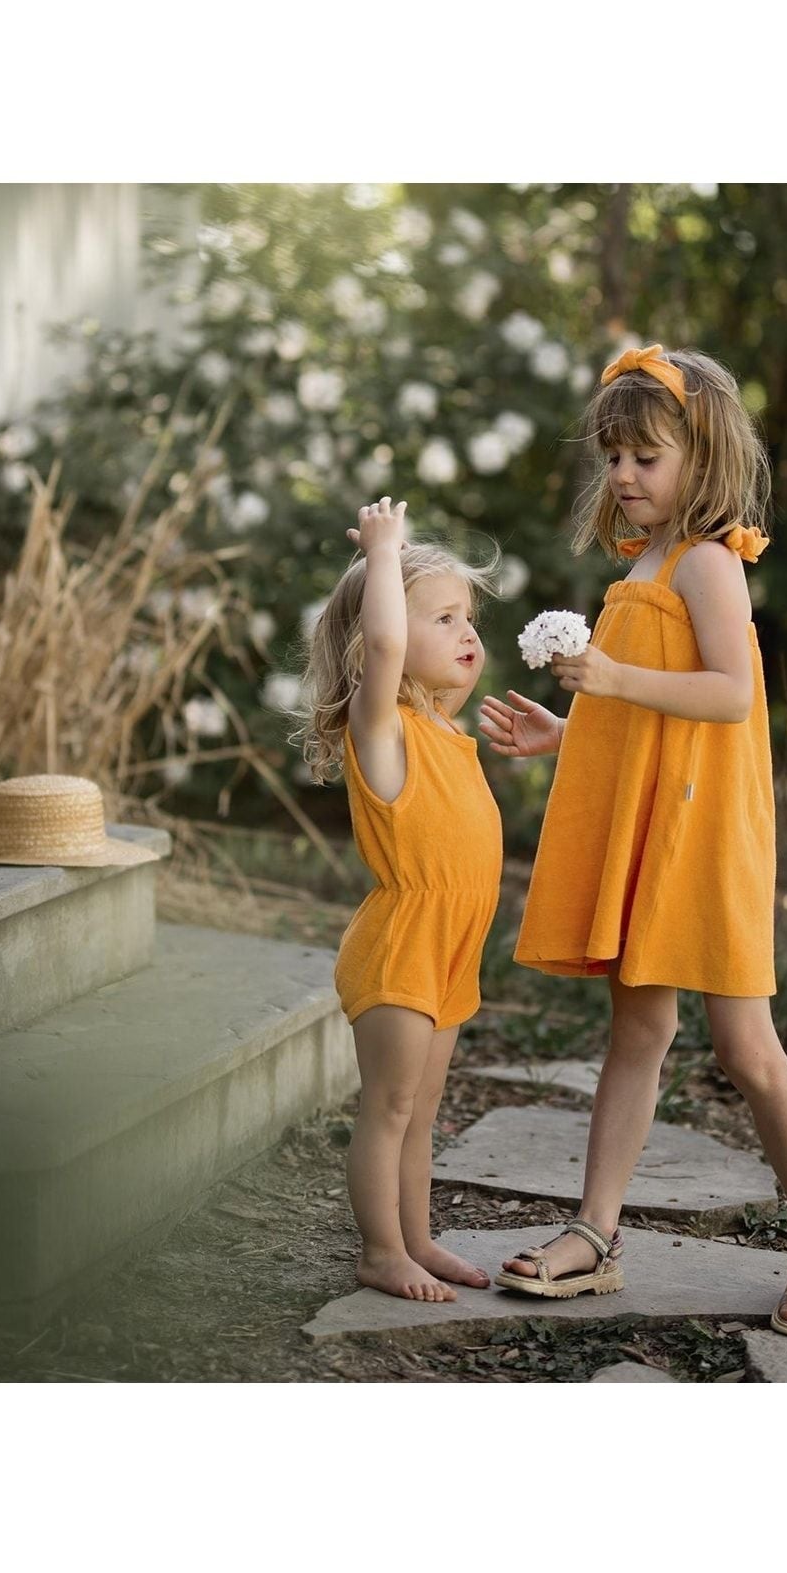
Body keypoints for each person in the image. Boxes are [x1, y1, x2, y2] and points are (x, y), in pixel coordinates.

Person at [481, 345, 787, 1340]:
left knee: (747, 1048)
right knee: (635, 1033)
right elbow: (648, 716)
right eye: (613, 457)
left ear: (702, 456)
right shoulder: (641, 566)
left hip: (709, 836)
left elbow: (731, 695)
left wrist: (610, 681)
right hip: (657, 823)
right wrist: (567, 732)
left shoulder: (711, 563)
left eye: (646, 455)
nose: (625, 475)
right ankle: (597, 1236)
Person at [292, 497, 504, 1302]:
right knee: (388, 1107)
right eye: (444, 618)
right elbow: (382, 643)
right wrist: (385, 554)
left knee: (421, 1111)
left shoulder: (447, 735)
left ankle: (417, 1239)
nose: (468, 635)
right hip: (403, 945)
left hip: (451, 947)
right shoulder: (380, 729)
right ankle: (381, 1250)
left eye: (469, 619)